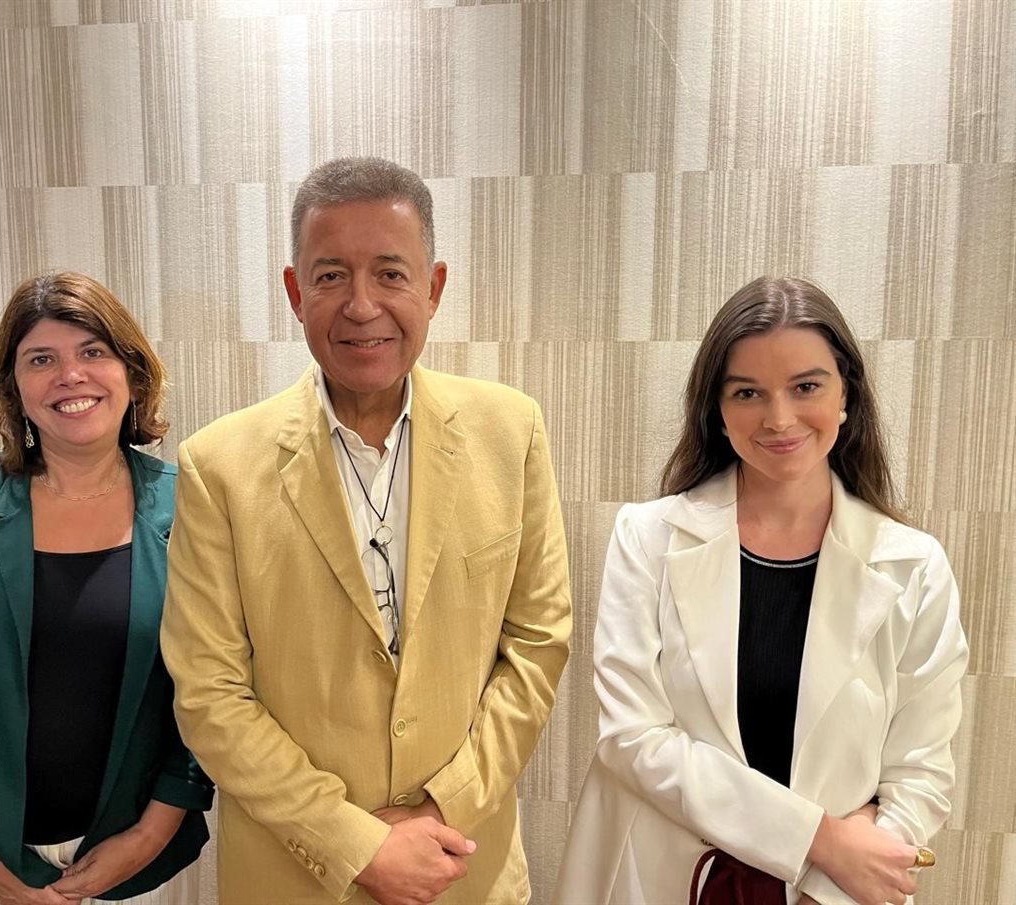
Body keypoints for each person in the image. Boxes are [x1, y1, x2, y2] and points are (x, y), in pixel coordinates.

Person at [160, 156, 573, 905]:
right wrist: (354, 843)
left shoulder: (510, 431)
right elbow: (209, 692)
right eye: (331, 276)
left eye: (389, 273)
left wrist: (439, 810)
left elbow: (538, 643)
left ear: (433, 287)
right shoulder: (218, 465)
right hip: (294, 879)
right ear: (295, 292)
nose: (361, 305)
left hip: (462, 869)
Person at [552, 276, 968, 905]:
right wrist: (818, 840)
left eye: (806, 387)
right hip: (666, 878)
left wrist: (835, 877)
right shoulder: (648, 539)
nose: (779, 418)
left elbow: (921, 769)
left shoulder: (914, 566)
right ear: (717, 411)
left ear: (847, 394)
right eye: (748, 392)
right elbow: (631, 739)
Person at [0, 273, 213, 905]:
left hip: (141, 861)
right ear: (14, 389)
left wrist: (150, 834)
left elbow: (215, 690)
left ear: (132, 373)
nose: (70, 376)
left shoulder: (191, 505)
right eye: (41, 360)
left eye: (93, 352)